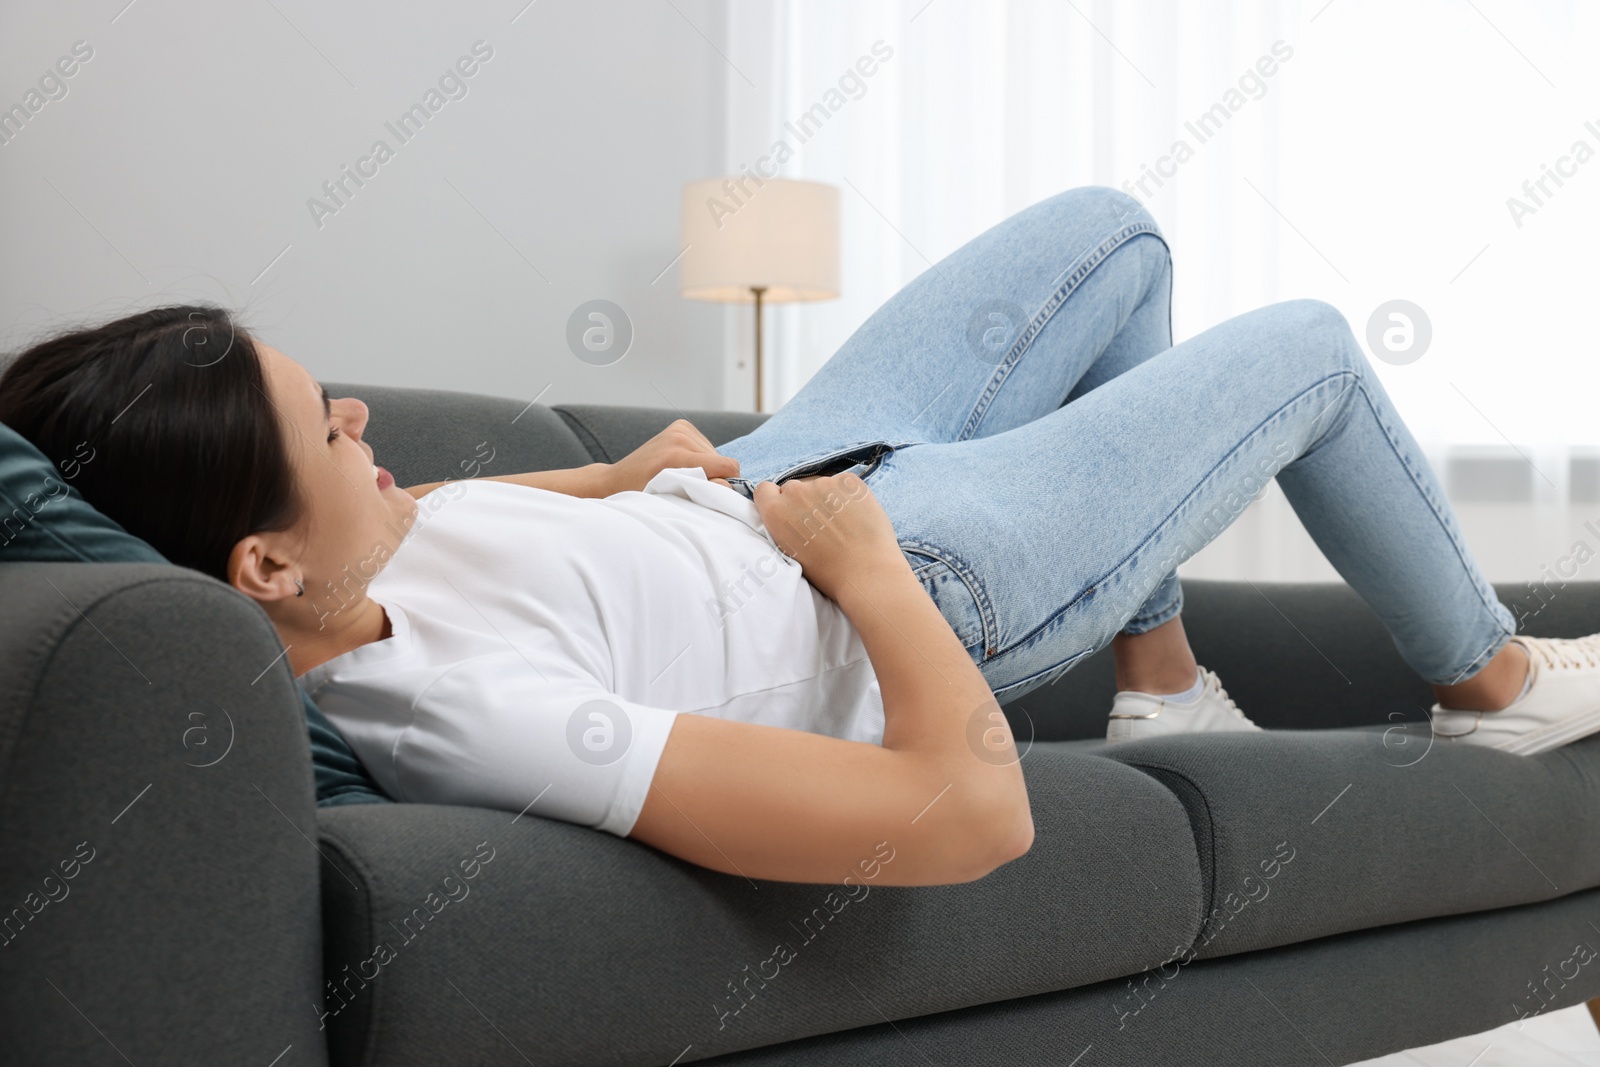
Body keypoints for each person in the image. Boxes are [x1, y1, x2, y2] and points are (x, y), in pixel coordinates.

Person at [3, 187, 1597, 890]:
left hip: (780, 478)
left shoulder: (345, 567)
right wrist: (869, 569)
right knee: (1311, 344)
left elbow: (447, 523)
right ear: (261, 571)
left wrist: (622, 477)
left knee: (1113, 235)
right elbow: (966, 819)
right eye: (328, 432)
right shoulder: (465, 715)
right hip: (913, 566)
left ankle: (1166, 680)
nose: (361, 419)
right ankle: (1494, 680)